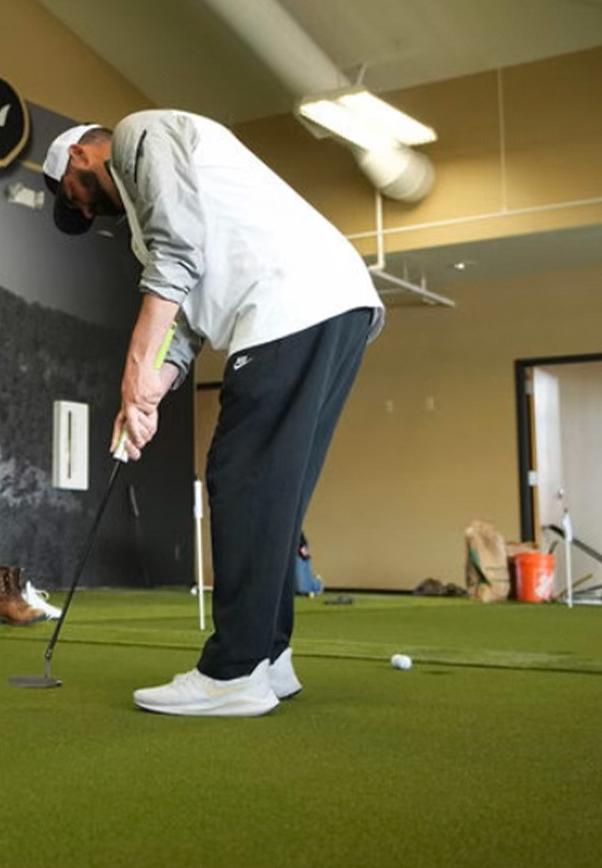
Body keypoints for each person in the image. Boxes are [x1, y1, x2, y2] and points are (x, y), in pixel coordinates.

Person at [42, 110, 383, 717]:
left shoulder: (138, 136)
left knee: (241, 476)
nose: (86, 212)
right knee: (274, 492)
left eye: (75, 200)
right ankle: (268, 658)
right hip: (334, 306)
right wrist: (147, 400)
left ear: (77, 158)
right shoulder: (149, 225)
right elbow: (188, 326)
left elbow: (176, 260)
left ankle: (232, 672)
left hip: (290, 302)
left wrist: (131, 375)